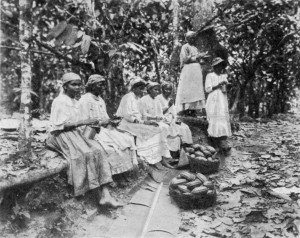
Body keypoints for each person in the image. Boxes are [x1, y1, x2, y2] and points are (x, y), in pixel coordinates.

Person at [46, 72, 122, 208]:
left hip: (73, 133)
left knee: (98, 150)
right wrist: (84, 122)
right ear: (65, 86)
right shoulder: (60, 101)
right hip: (60, 135)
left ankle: (106, 194)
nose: (77, 87)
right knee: (84, 154)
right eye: (73, 84)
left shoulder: (75, 101)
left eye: (79, 84)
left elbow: (78, 123)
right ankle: (96, 194)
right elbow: (59, 125)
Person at [78, 74, 137, 181]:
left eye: (104, 85)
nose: (103, 87)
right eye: (100, 85)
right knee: (111, 148)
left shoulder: (100, 100)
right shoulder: (84, 100)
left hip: (103, 129)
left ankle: (123, 172)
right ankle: (115, 175)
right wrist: (101, 122)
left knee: (125, 140)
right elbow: (84, 121)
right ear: (92, 85)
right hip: (91, 131)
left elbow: (105, 118)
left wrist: (111, 122)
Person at [116, 78, 173, 169]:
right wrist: (143, 122)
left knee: (157, 128)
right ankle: (150, 160)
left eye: (143, 88)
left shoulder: (138, 98)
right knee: (150, 131)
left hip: (137, 122)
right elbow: (127, 115)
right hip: (127, 123)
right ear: (134, 88)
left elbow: (142, 114)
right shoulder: (128, 97)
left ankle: (159, 158)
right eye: (140, 88)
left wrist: (147, 121)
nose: (142, 90)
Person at [175, 31, 206, 116]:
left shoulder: (195, 48)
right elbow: (185, 59)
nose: (193, 39)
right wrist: (197, 57)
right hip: (189, 70)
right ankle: (185, 109)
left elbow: (199, 60)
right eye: (191, 38)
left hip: (196, 70)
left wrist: (203, 58)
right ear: (187, 39)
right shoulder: (185, 47)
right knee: (187, 89)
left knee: (195, 89)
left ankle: (193, 110)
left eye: (194, 38)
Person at [156, 82, 193, 153]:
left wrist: (175, 118)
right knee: (174, 132)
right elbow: (158, 113)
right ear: (162, 89)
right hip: (162, 121)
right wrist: (168, 106)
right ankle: (175, 152)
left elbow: (173, 112)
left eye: (170, 89)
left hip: (171, 121)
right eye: (166, 89)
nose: (168, 91)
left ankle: (185, 149)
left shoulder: (170, 99)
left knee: (185, 127)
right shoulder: (158, 99)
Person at [205, 57, 232, 153]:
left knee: (222, 118)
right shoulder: (210, 75)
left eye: (221, 65)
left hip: (221, 99)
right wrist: (218, 84)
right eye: (217, 66)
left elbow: (226, 88)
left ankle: (223, 141)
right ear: (214, 67)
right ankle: (214, 142)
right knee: (213, 118)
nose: (219, 67)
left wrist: (227, 84)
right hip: (213, 98)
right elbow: (207, 89)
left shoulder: (223, 76)